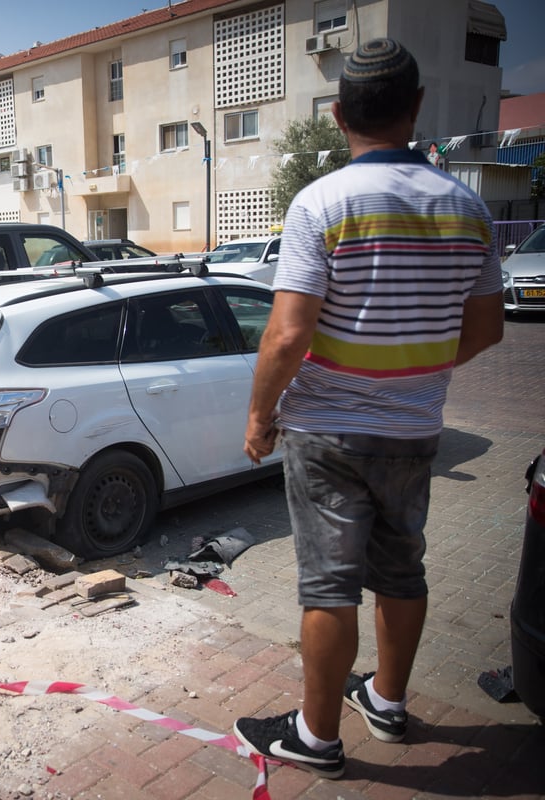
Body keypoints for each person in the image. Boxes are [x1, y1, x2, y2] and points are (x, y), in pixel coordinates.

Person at [231, 38, 504, 779]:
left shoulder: (321, 202)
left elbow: (287, 335)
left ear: (339, 115)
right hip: (416, 428)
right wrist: (408, 371)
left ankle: (315, 739)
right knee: (401, 571)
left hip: (327, 431)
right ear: (415, 108)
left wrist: (260, 419)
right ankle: (385, 700)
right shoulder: (468, 205)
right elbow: (485, 329)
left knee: (328, 587)